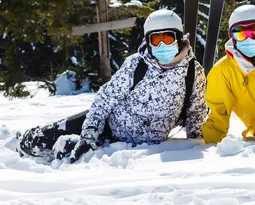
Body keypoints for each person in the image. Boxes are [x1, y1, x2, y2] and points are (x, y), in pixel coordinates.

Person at [16, 9, 208, 162]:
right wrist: (89, 133)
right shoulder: (137, 64)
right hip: (109, 126)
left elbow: (196, 112)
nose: (161, 46)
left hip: (143, 144)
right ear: (148, 42)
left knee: (67, 151)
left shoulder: (192, 71)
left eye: (167, 39)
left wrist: (196, 142)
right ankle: (20, 143)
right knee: (40, 141)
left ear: (179, 38)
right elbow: (105, 99)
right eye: (156, 40)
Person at [201, 4, 255, 144]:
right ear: (232, 37)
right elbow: (218, 115)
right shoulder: (222, 71)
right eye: (241, 34)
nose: (248, 40)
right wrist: (208, 147)